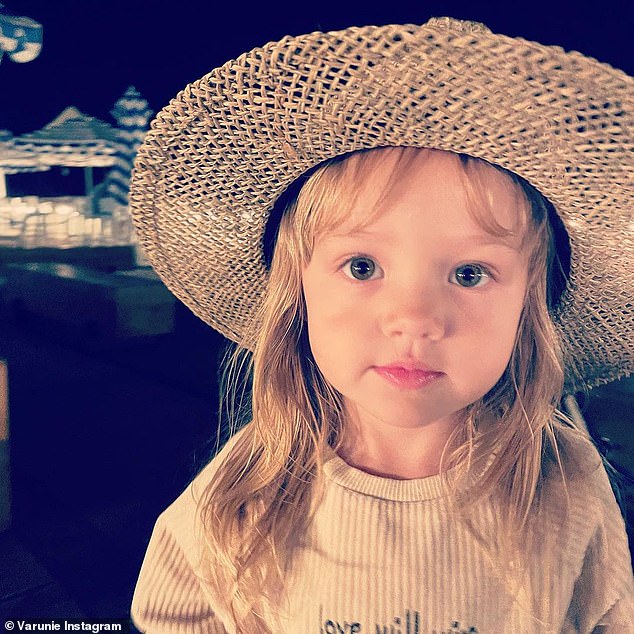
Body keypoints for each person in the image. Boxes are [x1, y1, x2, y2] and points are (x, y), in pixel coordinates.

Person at [128, 16, 634, 633]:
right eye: (362, 266)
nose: (414, 319)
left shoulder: (564, 483)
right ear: (298, 295)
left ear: (528, 311)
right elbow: (175, 614)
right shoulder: (255, 482)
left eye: (470, 273)